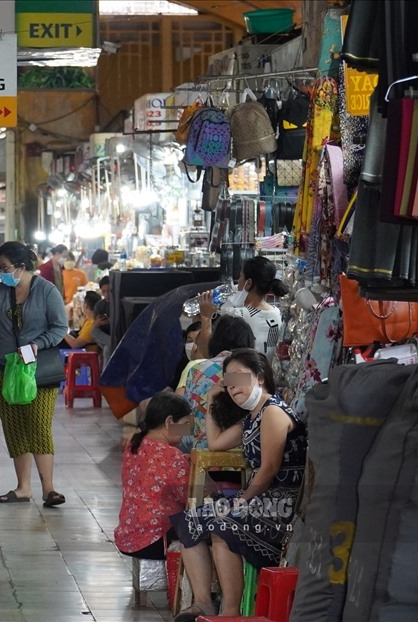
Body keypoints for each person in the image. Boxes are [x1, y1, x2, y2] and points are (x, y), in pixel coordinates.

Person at [170, 348, 307, 620]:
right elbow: (216, 443)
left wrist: (240, 502)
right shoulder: (252, 418)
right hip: (260, 499)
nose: (234, 389)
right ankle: (203, 602)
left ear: (260, 378)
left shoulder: (273, 412)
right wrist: (211, 400)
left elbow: (269, 468)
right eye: (229, 384)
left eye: (240, 380)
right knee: (190, 520)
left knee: (224, 526)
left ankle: (230, 611)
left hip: (281, 505)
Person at [0, 242, 69, 507]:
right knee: (15, 427)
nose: (2, 272)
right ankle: (23, 488)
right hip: (5, 368)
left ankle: (49, 488)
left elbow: (60, 328)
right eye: (0, 267)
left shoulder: (47, 291)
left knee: (39, 424)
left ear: (22, 267)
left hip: (37, 370)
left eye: (6, 267)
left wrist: (37, 344)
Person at [115, 391, 191, 560]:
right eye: (185, 424)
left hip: (127, 538)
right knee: (207, 526)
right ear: (169, 421)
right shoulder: (171, 455)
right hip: (153, 541)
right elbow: (191, 498)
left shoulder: (133, 444)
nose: (187, 432)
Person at [174, 316, 255, 452]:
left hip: (198, 450)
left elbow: (187, 416)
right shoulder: (245, 371)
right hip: (235, 452)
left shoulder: (196, 369)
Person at [194, 256, 288, 363]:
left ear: (248, 283)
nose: (238, 281)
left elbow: (207, 353)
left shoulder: (235, 316)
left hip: (240, 377)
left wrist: (206, 317)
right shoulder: (276, 312)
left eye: (240, 276)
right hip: (265, 375)